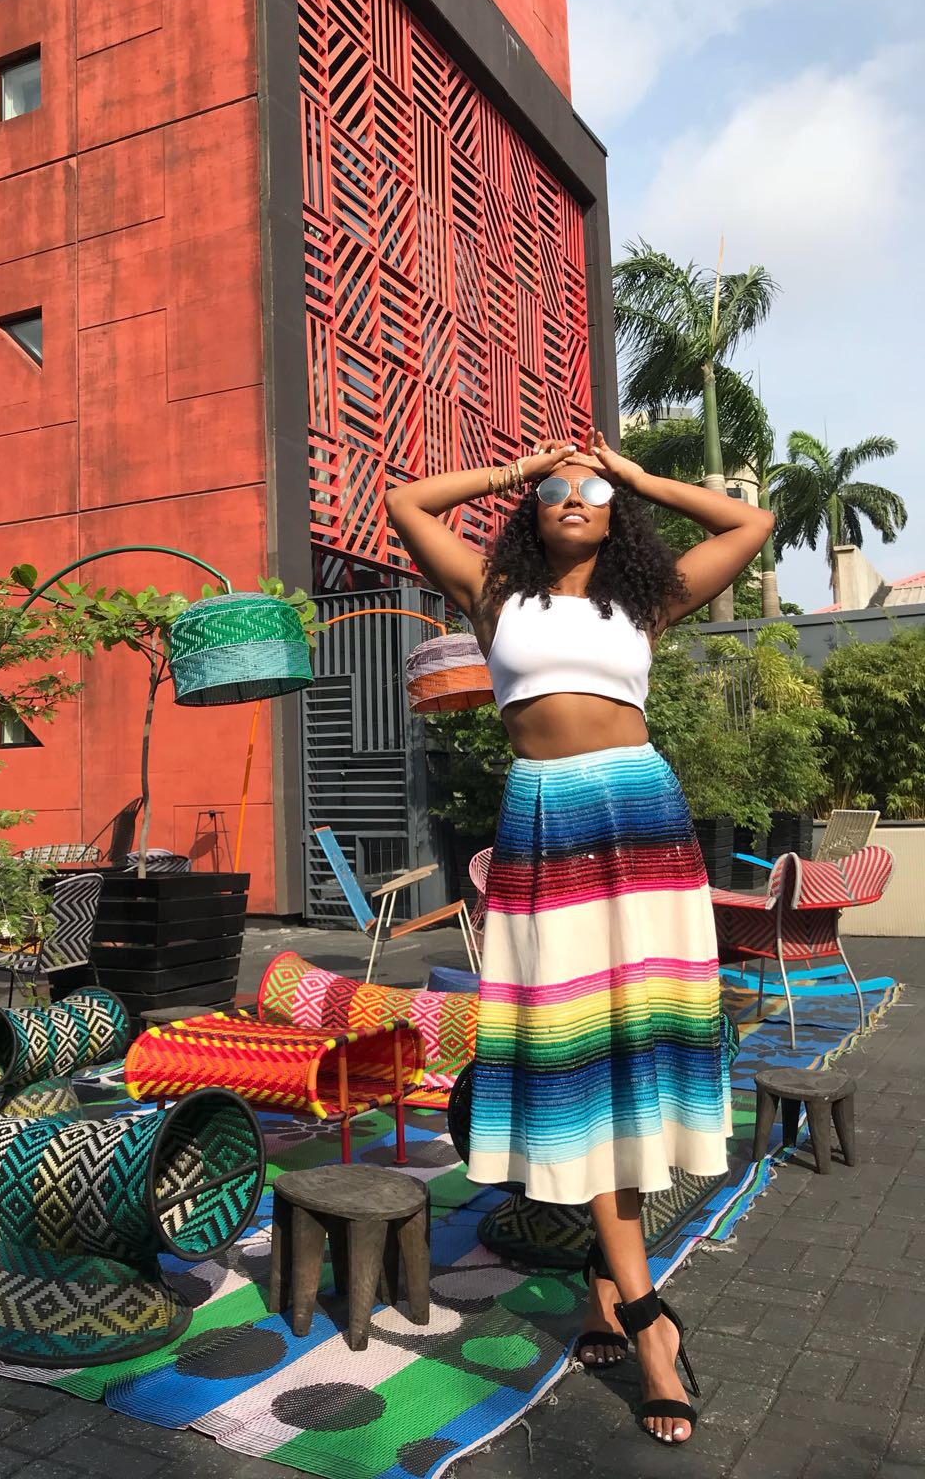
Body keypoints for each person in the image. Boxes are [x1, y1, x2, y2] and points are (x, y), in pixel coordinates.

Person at [385, 432, 774, 1448]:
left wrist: (637, 474)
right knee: (573, 1049)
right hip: (545, 821)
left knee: (633, 1042)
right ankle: (643, 1312)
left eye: (590, 487)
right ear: (532, 505)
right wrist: (516, 469)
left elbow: (751, 521)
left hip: (638, 816)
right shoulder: (493, 592)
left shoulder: (644, 601)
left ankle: (619, 1296)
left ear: (613, 512)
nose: (572, 493)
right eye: (555, 485)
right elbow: (408, 501)